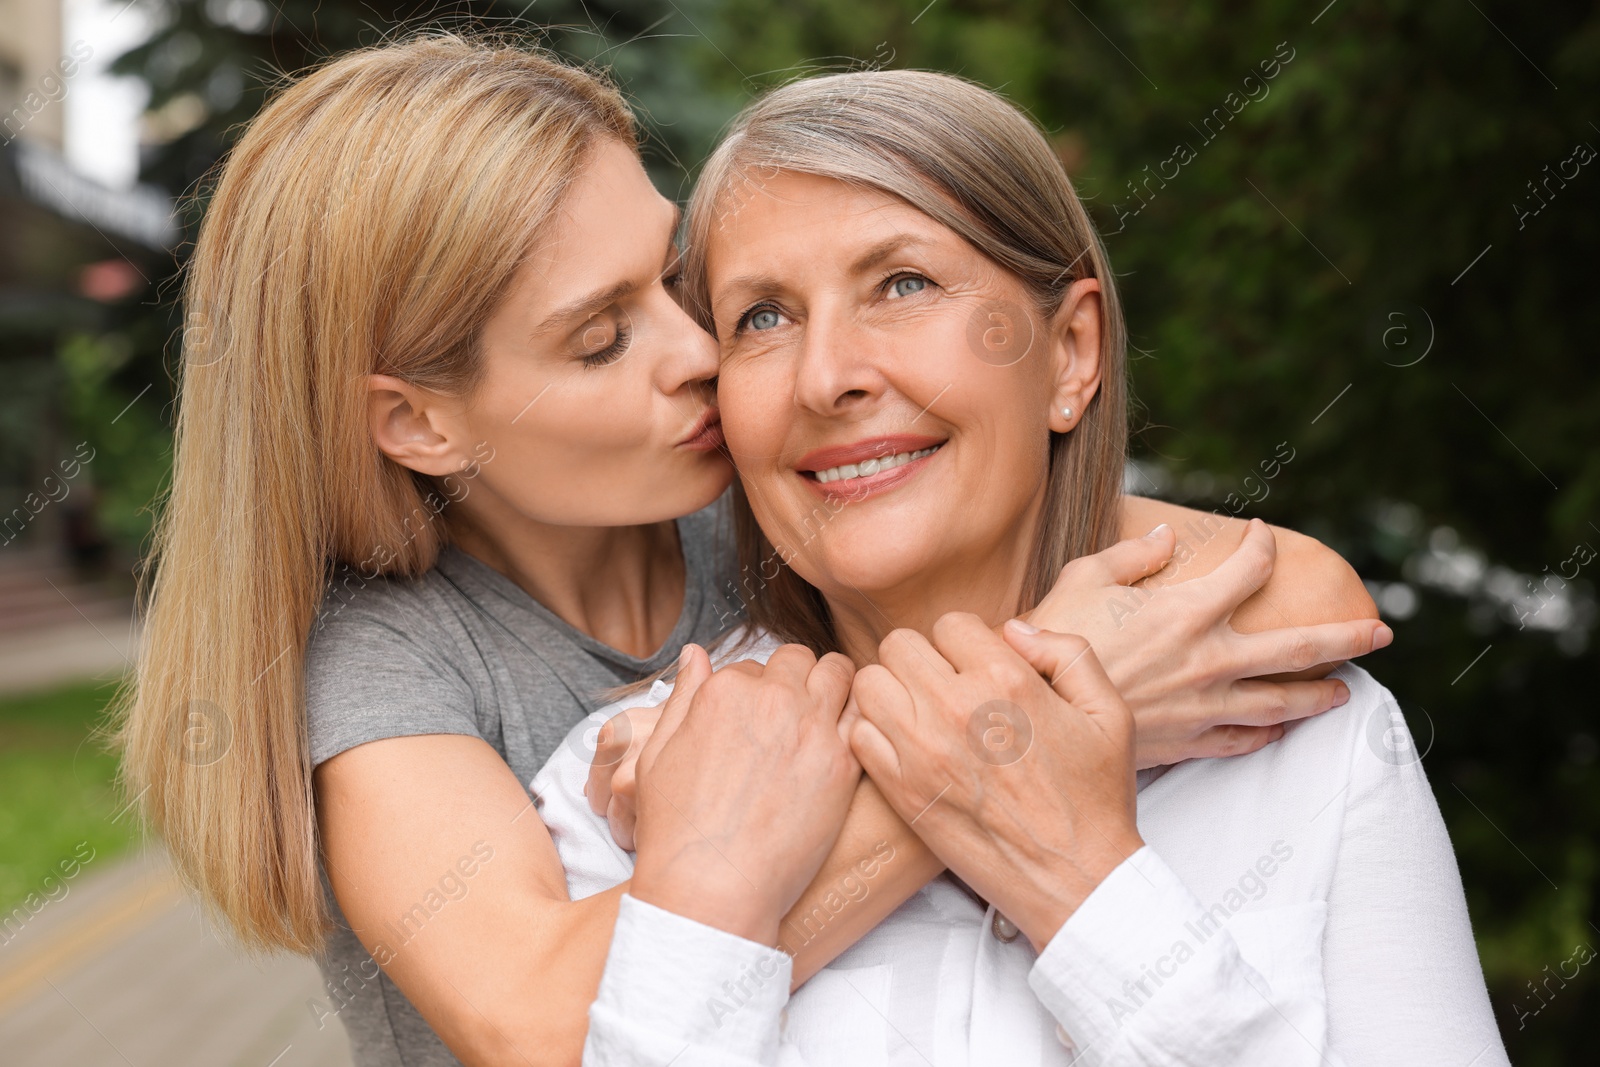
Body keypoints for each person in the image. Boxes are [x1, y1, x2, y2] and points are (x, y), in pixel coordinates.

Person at [116, 36, 1385, 1067]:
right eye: (601, 338)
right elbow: (550, 1026)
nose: (698, 352)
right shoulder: (390, 666)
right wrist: (1011, 741)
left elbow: (1293, 595)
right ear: (419, 420)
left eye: (676, 282)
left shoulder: (764, 510)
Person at [538, 70, 1510, 1065]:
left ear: (1071, 352)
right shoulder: (623, 785)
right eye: (763, 318)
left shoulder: (1301, 736)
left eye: (901, 284)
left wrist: (1081, 881)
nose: (827, 376)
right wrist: (711, 895)